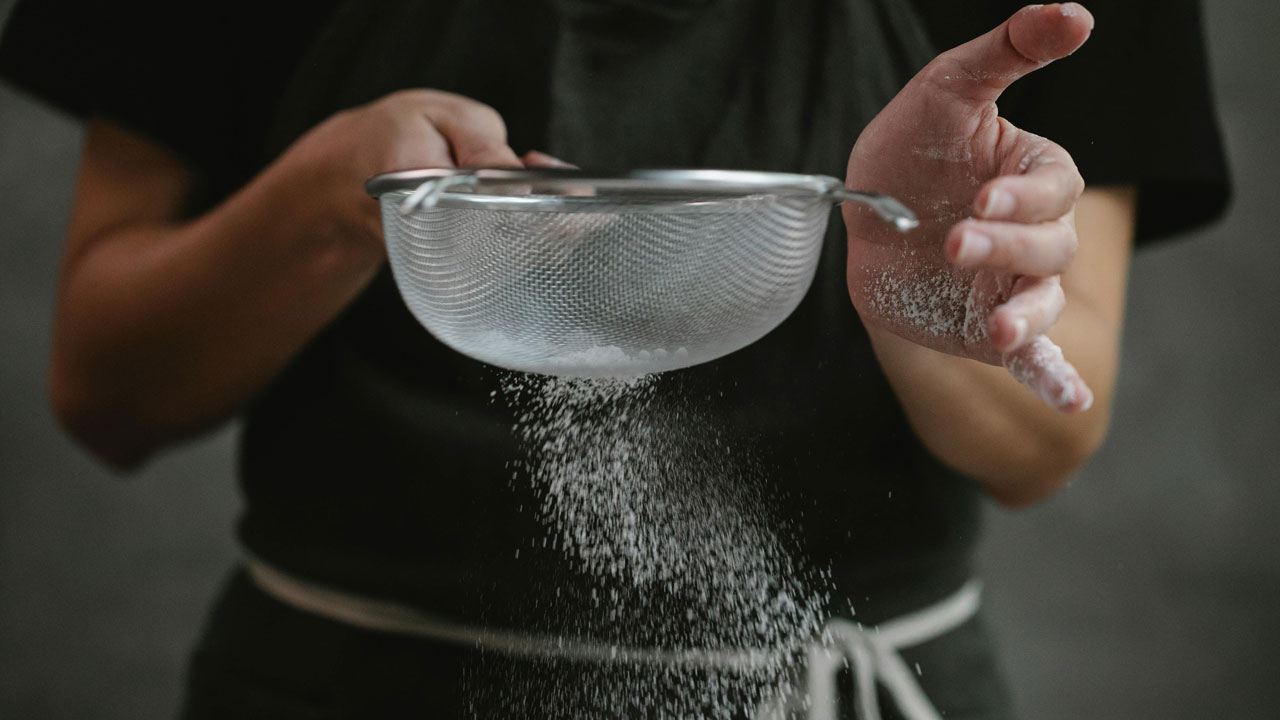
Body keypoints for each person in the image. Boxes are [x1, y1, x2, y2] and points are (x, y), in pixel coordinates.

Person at [0, 0, 1228, 717]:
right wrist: (333, 202)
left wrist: (923, 283)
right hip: (345, 688)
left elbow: (1043, 446)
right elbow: (106, 391)